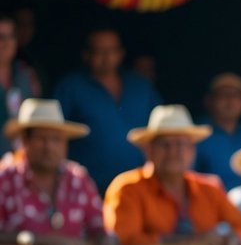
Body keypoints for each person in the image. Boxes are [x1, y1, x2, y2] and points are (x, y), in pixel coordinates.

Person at [103, 104, 241, 245]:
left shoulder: (210, 187)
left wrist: (234, 240)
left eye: (181, 144)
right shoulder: (128, 188)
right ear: (148, 150)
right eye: (165, 145)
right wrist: (188, 242)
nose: (173, 152)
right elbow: (123, 241)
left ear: (192, 151)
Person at [0, 99, 114, 245]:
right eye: (41, 138)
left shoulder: (78, 179)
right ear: (25, 141)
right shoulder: (5, 178)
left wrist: (105, 240)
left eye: (56, 139)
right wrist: (42, 242)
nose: (49, 147)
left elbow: (98, 228)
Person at [53, 28, 162, 193]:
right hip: (87, 189)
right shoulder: (71, 87)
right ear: (86, 55)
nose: (106, 57)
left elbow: (162, 129)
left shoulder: (140, 86)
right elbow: (54, 132)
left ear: (121, 54)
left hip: (140, 188)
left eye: (111, 50)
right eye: (99, 51)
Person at [194, 73, 241, 191]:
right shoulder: (197, 135)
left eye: (236, 95)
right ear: (208, 100)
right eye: (223, 95)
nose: (230, 100)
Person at [0, 12, 41, 157]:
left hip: (20, 165)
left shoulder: (25, 75)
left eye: (12, 36)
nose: (7, 43)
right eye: (1, 37)